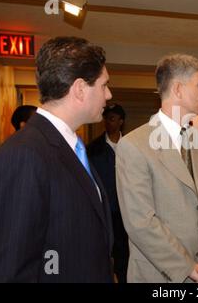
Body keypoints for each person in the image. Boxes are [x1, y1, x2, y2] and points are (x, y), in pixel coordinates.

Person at [0, 36, 114, 282]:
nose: (108, 95)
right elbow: (6, 271)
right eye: (104, 85)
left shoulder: (67, 146)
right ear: (80, 89)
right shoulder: (25, 155)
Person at [116, 54, 198, 283]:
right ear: (178, 89)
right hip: (158, 275)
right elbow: (141, 222)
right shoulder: (133, 145)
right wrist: (188, 267)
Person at [87, 103, 129, 283]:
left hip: (128, 209)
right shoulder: (93, 149)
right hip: (105, 210)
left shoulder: (132, 146)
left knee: (125, 253)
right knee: (104, 251)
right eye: (106, 118)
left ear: (121, 121)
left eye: (112, 119)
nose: (108, 122)